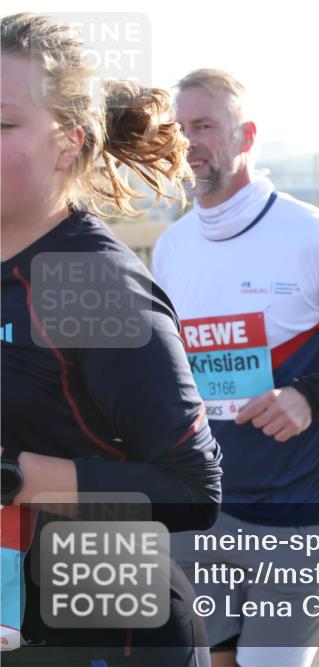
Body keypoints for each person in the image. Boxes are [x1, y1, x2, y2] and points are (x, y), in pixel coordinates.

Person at [155, 69, 319, 667]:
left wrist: (310, 395)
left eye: (204, 127)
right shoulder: (172, 247)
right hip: (204, 510)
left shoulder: (315, 237)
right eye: (179, 129)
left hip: (299, 515)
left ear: (245, 136)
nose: (188, 142)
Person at [1, 13, 221, 665]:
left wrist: (16, 476)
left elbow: (193, 490)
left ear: (68, 143)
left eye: (1, 123)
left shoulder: (89, 283)